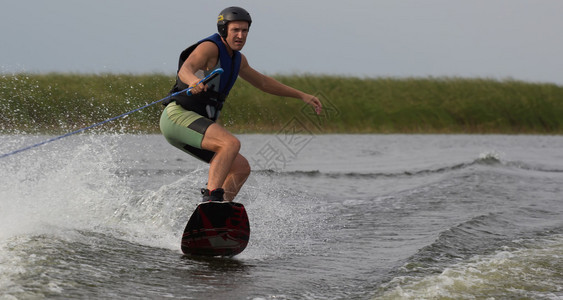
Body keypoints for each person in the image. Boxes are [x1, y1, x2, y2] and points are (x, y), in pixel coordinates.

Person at [160, 6, 322, 202]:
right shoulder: (210, 48)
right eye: (235, 30)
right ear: (223, 30)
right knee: (230, 143)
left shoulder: (238, 60)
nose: (240, 35)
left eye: (245, 31)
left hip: (193, 127)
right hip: (177, 118)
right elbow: (186, 69)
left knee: (240, 168)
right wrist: (193, 81)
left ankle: (220, 212)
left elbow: (263, 83)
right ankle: (211, 200)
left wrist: (301, 95)